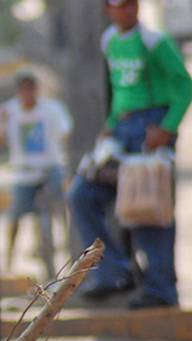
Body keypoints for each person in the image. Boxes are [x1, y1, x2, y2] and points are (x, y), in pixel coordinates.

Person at [68, 0, 192, 309]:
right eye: (114, 5)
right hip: (121, 129)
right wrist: (109, 126)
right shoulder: (109, 40)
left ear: (135, 7)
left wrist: (168, 127)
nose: (121, 11)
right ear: (108, 10)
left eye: (126, 4)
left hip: (150, 128)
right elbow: (120, 89)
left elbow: (184, 85)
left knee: (147, 207)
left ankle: (161, 288)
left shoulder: (155, 41)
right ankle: (113, 272)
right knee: (82, 194)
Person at [0, 71, 73, 276]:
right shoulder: (7, 111)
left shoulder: (52, 108)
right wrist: (2, 124)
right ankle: (8, 261)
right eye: (24, 89)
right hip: (23, 173)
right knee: (16, 215)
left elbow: (65, 133)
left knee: (61, 210)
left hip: (49, 169)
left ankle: (70, 253)